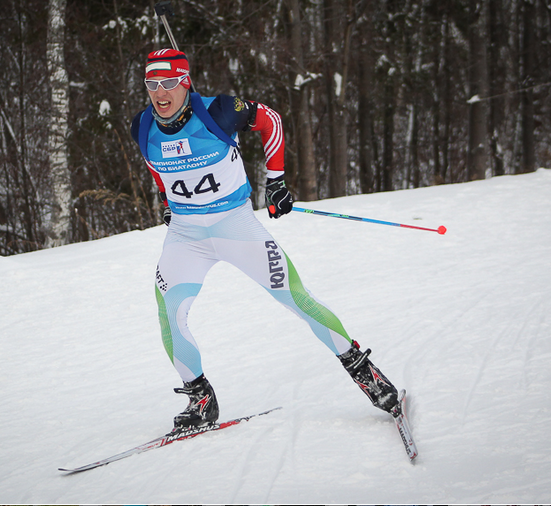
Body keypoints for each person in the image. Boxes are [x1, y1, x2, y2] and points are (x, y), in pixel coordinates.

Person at [131, 48, 400, 432]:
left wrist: (276, 181)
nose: (161, 92)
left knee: (296, 297)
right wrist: (167, 200)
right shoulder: (142, 125)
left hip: (235, 227)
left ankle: (366, 374)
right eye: (152, 83)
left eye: (170, 82)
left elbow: (270, 120)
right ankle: (200, 399)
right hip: (186, 236)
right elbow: (156, 166)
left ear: (185, 81)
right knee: (170, 313)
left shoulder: (220, 110)